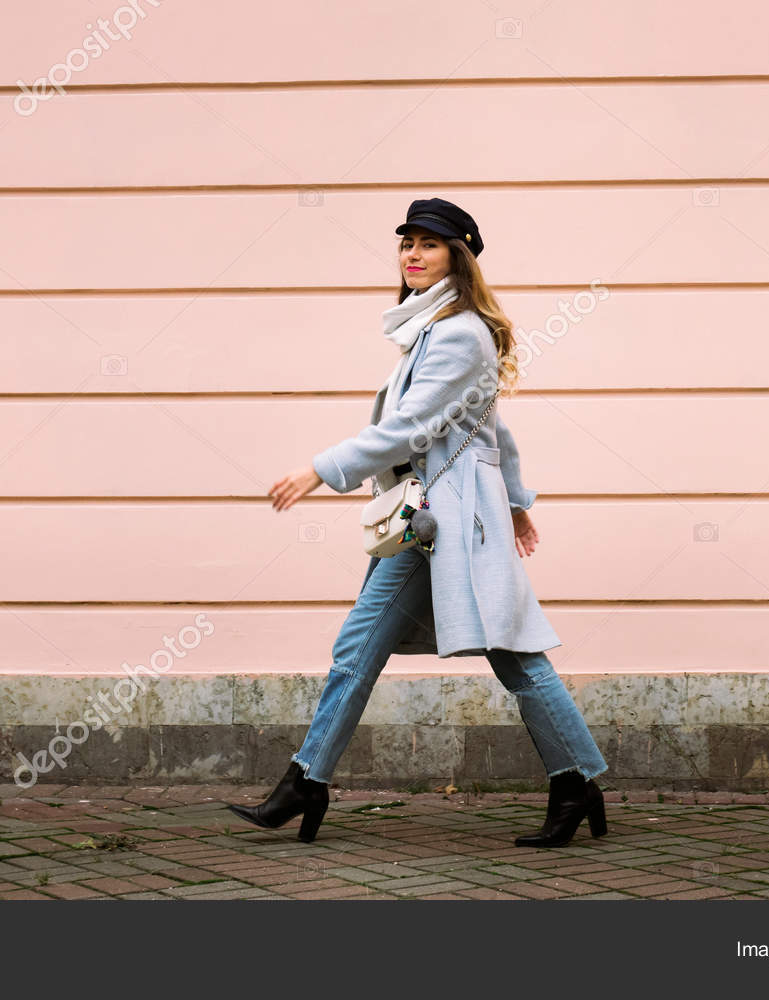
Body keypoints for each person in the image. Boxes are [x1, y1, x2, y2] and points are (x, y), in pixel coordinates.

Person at [225, 198, 608, 847]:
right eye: (407, 242)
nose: (412, 253)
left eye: (429, 244)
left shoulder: (458, 333)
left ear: (457, 255)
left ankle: (576, 783)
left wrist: (321, 469)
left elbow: (410, 426)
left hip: (456, 523)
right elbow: (492, 427)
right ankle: (306, 781)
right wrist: (516, 500)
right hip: (424, 523)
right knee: (358, 646)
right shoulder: (430, 329)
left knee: (516, 659)